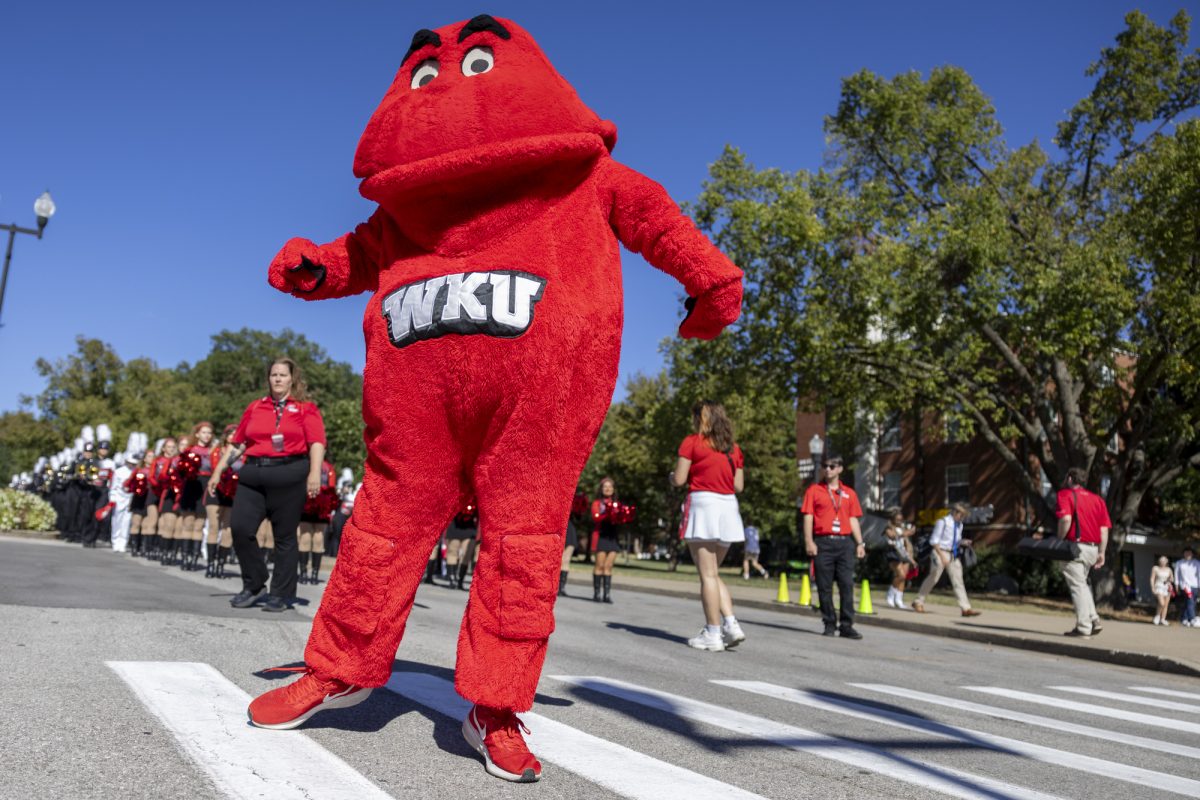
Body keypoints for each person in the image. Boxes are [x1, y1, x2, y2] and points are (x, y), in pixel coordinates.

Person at [209, 358, 327, 613]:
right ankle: (254, 584)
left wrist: (315, 473)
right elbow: (239, 443)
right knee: (240, 529)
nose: (277, 379)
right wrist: (219, 470)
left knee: (284, 537)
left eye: (283, 375)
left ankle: (280, 593)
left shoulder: (306, 408)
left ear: (292, 379)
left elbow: (316, 442)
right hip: (253, 473)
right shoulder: (256, 407)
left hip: (290, 473)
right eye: (273, 374)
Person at [673, 400, 746, 652]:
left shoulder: (692, 442)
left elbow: (680, 479)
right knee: (713, 573)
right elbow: (739, 486)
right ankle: (730, 622)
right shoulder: (733, 449)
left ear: (701, 419)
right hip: (729, 509)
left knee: (707, 575)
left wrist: (672, 477)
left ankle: (713, 633)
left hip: (704, 504)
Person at [801, 455, 865, 639]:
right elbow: (808, 517)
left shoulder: (849, 493)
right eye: (825, 466)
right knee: (824, 585)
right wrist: (809, 541)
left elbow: (853, 519)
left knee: (846, 584)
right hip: (823, 542)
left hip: (844, 543)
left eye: (832, 466)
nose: (827, 469)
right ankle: (829, 622)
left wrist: (860, 542)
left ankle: (846, 625)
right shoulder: (814, 490)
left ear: (840, 469)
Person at [1055, 467, 1110, 637]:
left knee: (1077, 586)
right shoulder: (1098, 500)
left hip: (1075, 547)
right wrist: (1102, 552)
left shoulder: (1065, 494)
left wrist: (1059, 539)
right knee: (1082, 583)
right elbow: (1104, 530)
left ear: (1070, 479)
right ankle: (1094, 619)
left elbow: (1065, 519)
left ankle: (1084, 626)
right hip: (1093, 548)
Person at [912, 503, 980, 617]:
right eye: (961, 515)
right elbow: (934, 541)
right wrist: (942, 556)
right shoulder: (942, 522)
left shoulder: (960, 525)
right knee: (934, 577)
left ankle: (966, 608)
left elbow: (955, 540)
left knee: (958, 580)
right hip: (939, 551)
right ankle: (918, 601)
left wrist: (962, 542)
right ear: (955, 512)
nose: (962, 518)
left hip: (952, 553)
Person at [297, 458, 336, 584]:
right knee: (305, 537)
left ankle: (314, 573)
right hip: (306, 502)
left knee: (318, 538)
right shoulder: (306, 464)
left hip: (322, 505)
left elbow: (332, 486)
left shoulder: (328, 467)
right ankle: (303, 572)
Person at [591, 478, 621, 603]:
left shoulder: (617, 504)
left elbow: (620, 519)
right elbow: (595, 517)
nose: (608, 489)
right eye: (605, 487)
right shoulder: (597, 503)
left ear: (613, 489)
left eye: (610, 487)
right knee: (600, 565)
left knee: (608, 566)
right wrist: (607, 513)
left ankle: (607, 595)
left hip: (613, 537)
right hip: (601, 536)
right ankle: (597, 594)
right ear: (601, 489)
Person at [883, 509, 918, 609]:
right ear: (893, 519)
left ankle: (899, 599)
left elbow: (906, 544)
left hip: (903, 553)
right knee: (900, 575)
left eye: (901, 520)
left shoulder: (903, 528)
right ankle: (890, 594)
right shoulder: (889, 528)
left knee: (904, 577)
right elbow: (892, 536)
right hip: (893, 552)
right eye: (897, 520)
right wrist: (906, 533)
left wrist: (912, 560)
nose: (899, 521)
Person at [444, 500, 479, 590]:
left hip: (470, 529)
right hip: (454, 527)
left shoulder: (475, 497)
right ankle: (452, 579)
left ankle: (460, 581)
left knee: (466, 556)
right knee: (452, 552)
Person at [110, 451, 139, 553]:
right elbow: (113, 487)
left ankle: (123, 542)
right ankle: (115, 541)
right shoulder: (118, 472)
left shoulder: (136, 472)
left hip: (130, 499)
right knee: (116, 521)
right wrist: (112, 499)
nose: (132, 465)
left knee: (126, 522)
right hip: (119, 499)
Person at [1175, 546, 1199, 628]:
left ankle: (1184, 619)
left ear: (1192, 554)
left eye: (1189, 552)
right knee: (1190, 601)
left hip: (1195, 585)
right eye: (1186, 552)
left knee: (1190, 602)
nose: (1188, 554)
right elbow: (1177, 575)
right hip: (1185, 586)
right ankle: (1192, 618)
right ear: (1183, 553)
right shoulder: (1179, 563)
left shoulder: (1196, 563)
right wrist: (1176, 585)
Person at [1150, 556, 1174, 626]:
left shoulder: (1169, 569)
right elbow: (1152, 578)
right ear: (1159, 561)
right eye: (1161, 560)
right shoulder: (1155, 568)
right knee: (1161, 603)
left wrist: (1169, 580)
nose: (1162, 562)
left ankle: (1163, 619)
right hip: (1158, 586)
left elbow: (1172, 578)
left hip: (1167, 587)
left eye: (1164, 560)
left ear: (1166, 562)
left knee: (1166, 605)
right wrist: (1152, 587)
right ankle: (1157, 616)